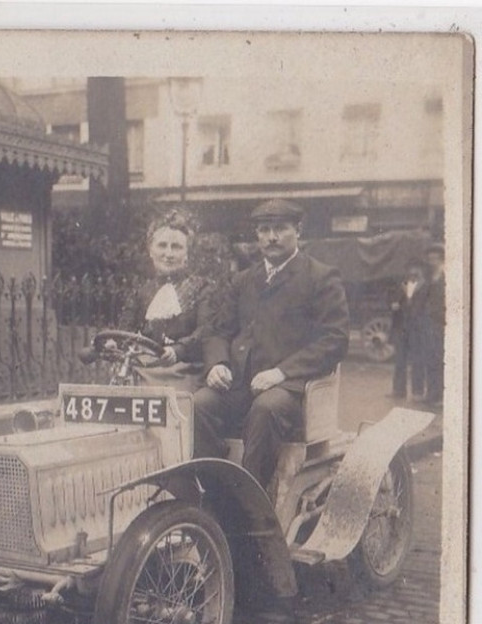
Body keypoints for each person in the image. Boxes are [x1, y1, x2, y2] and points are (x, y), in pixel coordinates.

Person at [193, 198, 350, 490]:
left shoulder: (320, 277)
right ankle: (211, 493)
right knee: (200, 403)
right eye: (264, 230)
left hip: (292, 392)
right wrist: (217, 364)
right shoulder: (243, 280)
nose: (272, 237)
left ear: (298, 231)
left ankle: (251, 508)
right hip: (240, 387)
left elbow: (335, 339)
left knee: (265, 409)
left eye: (280, 229)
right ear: (257, 236)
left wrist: (282, 373)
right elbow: (217, 330)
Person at [114, 210, 214, 392]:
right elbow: (125, 330)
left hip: (184, 371)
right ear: (151, 251)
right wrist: (113, 343)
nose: (168, 253)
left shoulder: (202, 288)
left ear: (187, 254)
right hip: (145, 370)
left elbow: (205, 331)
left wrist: (177, 351)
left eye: (176, 247)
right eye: (162, 245)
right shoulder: (142, 291)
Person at [388, 259, 426, 400]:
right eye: (410, 270)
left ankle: (418, 392)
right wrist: (393, 304)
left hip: (417, 330)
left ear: (420, 272)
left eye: (415, 270)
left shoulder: (424, 287)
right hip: (401, 329)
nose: (412, 273)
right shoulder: (401, 286)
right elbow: (392, 300)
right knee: (399, 361)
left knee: (417, 361)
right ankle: (398, 391)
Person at [421, 242, 445, 408]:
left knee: (439, 359)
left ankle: (439, 396)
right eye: (429, 259)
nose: (431, 261)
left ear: (440, 259)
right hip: (429, 322)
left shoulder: (445, 275)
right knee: (430, 358)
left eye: (434, 258)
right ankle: (431, 394)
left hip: (441, 323)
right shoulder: (429, 277)